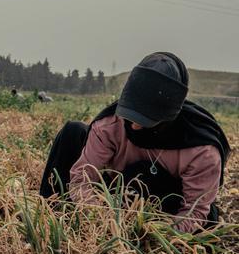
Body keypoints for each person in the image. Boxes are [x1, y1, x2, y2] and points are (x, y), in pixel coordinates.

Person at [39, 52, 230, 233]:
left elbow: (194, 212)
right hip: (117, 196)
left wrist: (158, 235)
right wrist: (104, 219)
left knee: (209, 218)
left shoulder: (202, 151)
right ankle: (50, 217)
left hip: (165, 208)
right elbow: (81, 180)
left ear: (167, 117)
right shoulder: (111, 125)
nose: (135, 127)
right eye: (130, 116)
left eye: (146, 120)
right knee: (73, 132)